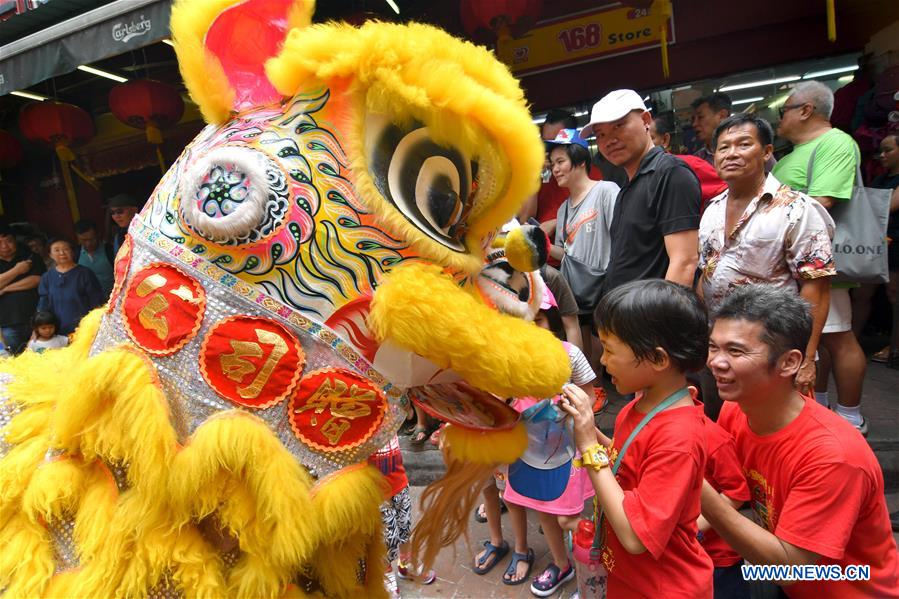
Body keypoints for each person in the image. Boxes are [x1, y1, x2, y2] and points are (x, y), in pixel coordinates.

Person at [701, 285, 899, 598]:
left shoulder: (833, 456)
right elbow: (731, 486)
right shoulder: (736, 409)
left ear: (790, 363)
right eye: (714, 347)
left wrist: (698, 489)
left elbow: (792, 567)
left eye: (735, 351)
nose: (716, 362)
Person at [559, 280, 713, 597]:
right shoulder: (641, 405)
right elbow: (623, 459)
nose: (601, 359)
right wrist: (583, 426)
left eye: (610, 349)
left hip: (664, 586)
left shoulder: (678, 439)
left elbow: (635, 537)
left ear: (657, 359)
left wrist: (588, 445)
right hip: (630, 578)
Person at [697, 114, 835, 419]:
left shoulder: (796, 209)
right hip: (719, 347)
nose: (731, 153)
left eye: (743, 144)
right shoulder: (712, 209)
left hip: (768, 352)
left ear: (767, 151)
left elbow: (817, 287)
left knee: (769, 430)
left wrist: (807, 358)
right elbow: (707, 274)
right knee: (722, 426)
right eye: (723, 147)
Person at [772, 80, 868, 433]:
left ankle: (851, 417)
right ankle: (822, 407)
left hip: (818, 259)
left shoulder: (835, 142)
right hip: (792, 262)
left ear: (805, 109)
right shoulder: (792, 153)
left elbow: (826, 199)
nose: (780, 119)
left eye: (783, 110)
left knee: (837, 336)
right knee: (817, 338)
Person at [499, 290, 596, 596]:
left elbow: (590, 395)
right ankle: (562, 564)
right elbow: (503, 400)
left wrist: (569, 408)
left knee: (568, 514)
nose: (530, 329)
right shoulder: (510, 358)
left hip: (566, 447)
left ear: (551, 321)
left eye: (537, 320)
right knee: (542, 506)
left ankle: (591, 574)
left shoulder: (570, 354)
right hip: (526, 448)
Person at [582, 89, 701, 293]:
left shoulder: (670, 174)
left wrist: (661, 319)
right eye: (600, 134)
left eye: (618, 126)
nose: (609, 140)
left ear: (646, 120)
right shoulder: (627, 187)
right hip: (623, 315)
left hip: (651, 317)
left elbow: (684, 261)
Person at [547, 128, 619, 369]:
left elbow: (620, 239)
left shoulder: (606, 191)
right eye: (552, 163)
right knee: (583, 340)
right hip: (579, 290)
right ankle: (594, 390)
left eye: (560, 161)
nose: (555, 169)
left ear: (579, 160)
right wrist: (543, 246)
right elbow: (564, 254)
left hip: (607, 286)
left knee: (607, 343)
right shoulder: (563, 209)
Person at [370, 435, 436, 598]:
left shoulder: (391, 413)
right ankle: (385, 572)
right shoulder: (361, 418)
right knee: (386, 537)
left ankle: (405, 563)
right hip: (376, 491)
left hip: (399, 481)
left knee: (405, 526)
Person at [859, 133, 899, 365]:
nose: (882, 155)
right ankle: (852, 339)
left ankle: (894, 349)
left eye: (888, 150)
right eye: (880, 151)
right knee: (862, 294)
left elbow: (888, 207)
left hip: (894, 245)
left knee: (895, 296)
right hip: (873, 244)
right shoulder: (881, 180)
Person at [650, 114, 727, 213]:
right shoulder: (629, 181)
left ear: (665, 140)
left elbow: (728, 192)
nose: (642, 145)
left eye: (650, 138)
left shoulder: (689, 165)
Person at [37, 239, 105, 336]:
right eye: (56, 250)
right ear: (50, 255)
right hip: (56, 332)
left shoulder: (85, 273)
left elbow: (97, 301)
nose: (62, 253)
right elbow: (43, 305)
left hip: (85, 330)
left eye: (66, 249)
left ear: (72, 252)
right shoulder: (47, 277)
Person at [0, 224, 45, 355]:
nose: (4, 246)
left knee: (42, 357)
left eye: (8, 241)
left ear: (15, 240)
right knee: (17, 358)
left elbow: (37, 280)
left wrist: (6, 288)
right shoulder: (22, 265)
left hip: (37, 320)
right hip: (8, 323)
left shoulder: (30, 256)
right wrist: (17, 270)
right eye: (0, 242)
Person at [75, 219, 115, 297]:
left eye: (91, 239)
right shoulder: (74, 254)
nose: (88, 243)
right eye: (84, 240)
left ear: (98, 235)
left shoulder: (110, 251)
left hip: (111, 301)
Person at [692, 93, 733, 167]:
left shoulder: (741, 153)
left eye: (700, 117)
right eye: (693, 119)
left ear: (722, 116)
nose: (694, 124)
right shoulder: (696, 160)